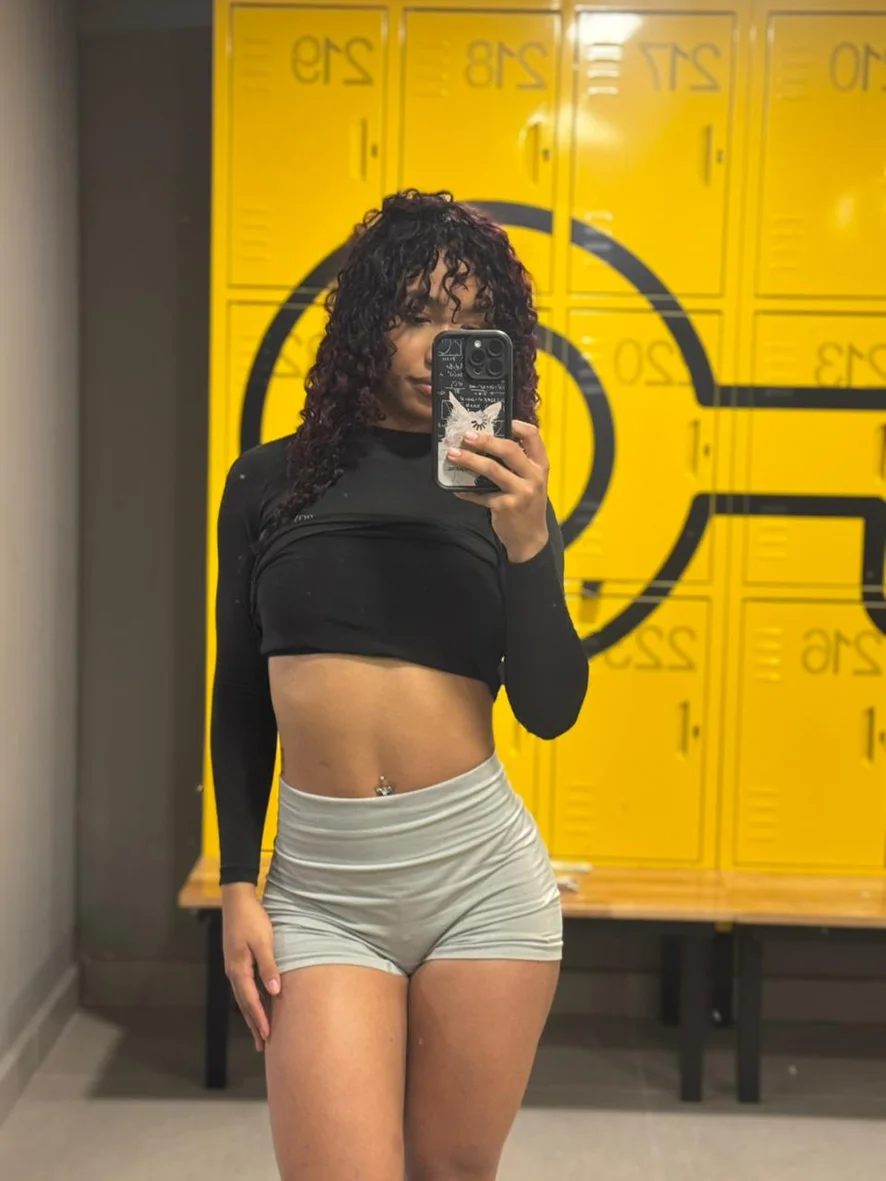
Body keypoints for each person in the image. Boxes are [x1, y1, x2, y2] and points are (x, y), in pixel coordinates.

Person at [211, 189, 589, 1181]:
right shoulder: (266, 483)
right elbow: (239, 697)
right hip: (322, 891)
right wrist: (239, 881)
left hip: (480, 881)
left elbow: (550, 709)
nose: (437, 348)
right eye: (416, 314)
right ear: (367, 320)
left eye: (470, 323)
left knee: (451, 1171)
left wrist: (530, 544)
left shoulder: (502, 492)